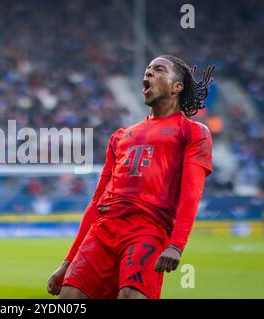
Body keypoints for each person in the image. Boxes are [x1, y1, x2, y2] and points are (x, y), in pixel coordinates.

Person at [47, 55, 215, 299]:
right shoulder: (121, 136)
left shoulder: (193, 132)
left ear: (177, 87)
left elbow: (191, 193)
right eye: (147, 70)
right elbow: (96, 201)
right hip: (103, 229)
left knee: (131, 296)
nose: (147, 74)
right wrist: (67, 262)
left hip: (148, 228)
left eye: (158, 70)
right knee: (69, 296)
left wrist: (175, 245)